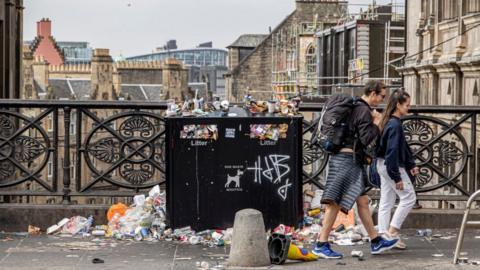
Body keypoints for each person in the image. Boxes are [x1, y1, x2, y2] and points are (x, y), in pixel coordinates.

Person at [312, 81, 399, 259]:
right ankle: (321, 244)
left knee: (363, 202)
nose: (383, 100)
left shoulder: (354, 106)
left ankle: (376, 241)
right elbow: (367, 139)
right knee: (334, 203)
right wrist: (377, 122)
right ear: (373, 93)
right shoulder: (363, 110)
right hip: (347, 160)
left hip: (347, 158)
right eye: (382, 96)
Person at [376, 90, 419, 249]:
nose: (409, 107)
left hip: (382, 164)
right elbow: (393, 151)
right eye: (407, 105)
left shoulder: (388, 121)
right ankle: (391, 233)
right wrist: (397, 177)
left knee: (386, 200)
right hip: (391, 166)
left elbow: (400, 147)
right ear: (398, 105)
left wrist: (410, 164)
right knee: (409, 197)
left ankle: (382, 235)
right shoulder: (395, 125)